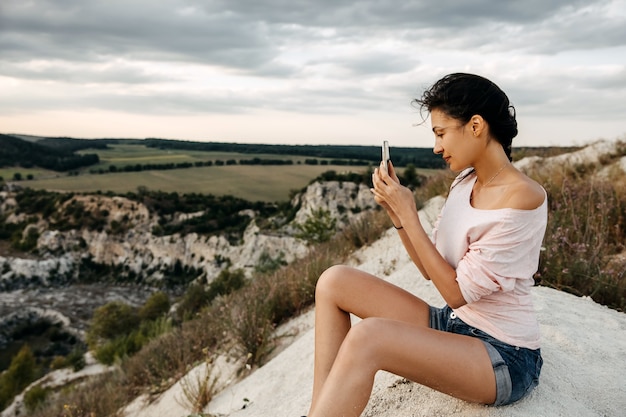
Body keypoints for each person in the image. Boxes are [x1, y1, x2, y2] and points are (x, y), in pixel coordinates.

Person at [304, 73, 547, 417]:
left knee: (369, 336)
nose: (436, 147)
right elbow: (428, 268)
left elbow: (455, 292)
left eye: (441, 133)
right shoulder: (464, 183)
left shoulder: (523, 197)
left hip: (504, 356)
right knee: (333, 282)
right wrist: (397, 213)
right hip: (454, 325)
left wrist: (410, 213)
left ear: (476, 125)